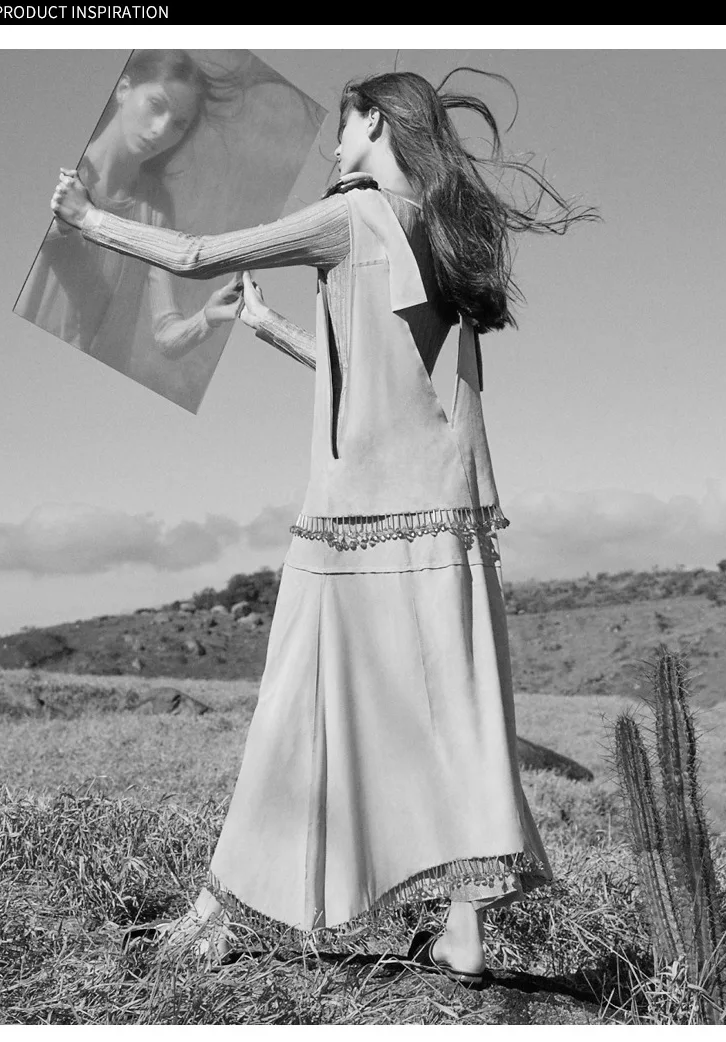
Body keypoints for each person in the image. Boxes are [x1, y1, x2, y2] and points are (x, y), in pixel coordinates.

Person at [51, 68, 596, 987]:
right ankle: (463, 930)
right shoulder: (438, 229)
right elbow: (386, 385)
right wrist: (270, 328)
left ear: (374, 122)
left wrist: (86, 219)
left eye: (342, 126)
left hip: (352, 521)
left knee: (290, 710)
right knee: (452, 716)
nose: (333, 144)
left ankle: (217, 916)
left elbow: (196, 253)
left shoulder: (351, 218)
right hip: (447, 516)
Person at [17, 50, 244, 376]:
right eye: (156, 105)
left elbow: (166, 336)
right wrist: (65, 221)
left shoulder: (156, 207)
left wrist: (207, 318)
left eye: (179, 124)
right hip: (23, 366)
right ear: (123, 89)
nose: (161, 130)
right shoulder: (62, 164)